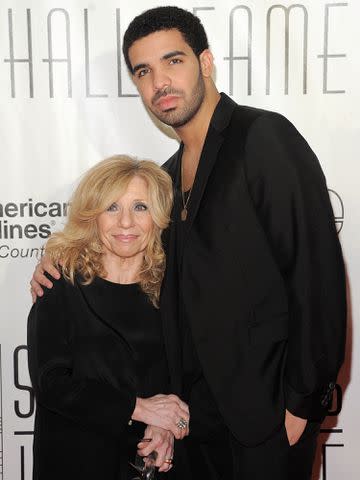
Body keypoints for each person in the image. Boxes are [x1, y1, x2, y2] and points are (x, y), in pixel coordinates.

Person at [31, 6, 347, 480]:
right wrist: (59, 255)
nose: (160, 82)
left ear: (205, 62)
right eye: (144, 71)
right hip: (196, 429)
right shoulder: (167, 177)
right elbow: (135, 256)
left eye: (172, 61)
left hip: (267, 422)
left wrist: (302, 405)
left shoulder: (263, 139)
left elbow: (315, 275)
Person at [27, 155, 190, 480]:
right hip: (74, 464)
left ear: (157, 217)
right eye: (112, 207)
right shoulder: (60, 284)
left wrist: (167, 428)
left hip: (149, 464)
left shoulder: (175, 294)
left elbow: (188, 381)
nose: (126, 222)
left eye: (140, 207)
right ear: (93, 216)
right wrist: (141, 409)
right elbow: (51, 383)